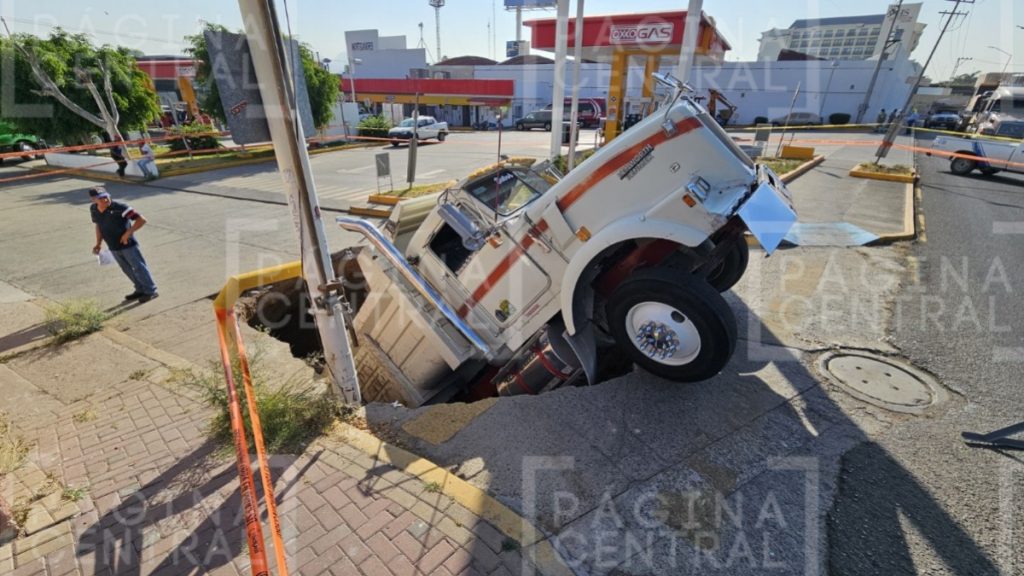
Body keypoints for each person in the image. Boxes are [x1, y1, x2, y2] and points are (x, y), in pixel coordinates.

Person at [89, 186, 158, 302]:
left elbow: (141, 220)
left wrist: (128, 233)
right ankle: (140, 289)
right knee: (126, 269)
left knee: (138, 267)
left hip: (128, 245)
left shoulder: (121, 207)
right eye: (101, 198)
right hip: (113, 246)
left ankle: (151, 291)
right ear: (93, 200)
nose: (105, 200)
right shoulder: (94, 209)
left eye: (106, 196)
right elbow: (98, 225)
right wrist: (98, 243)